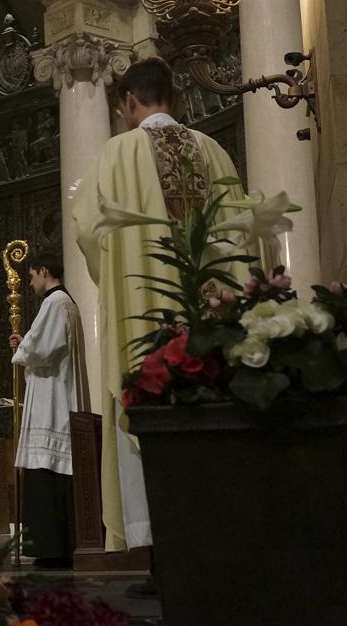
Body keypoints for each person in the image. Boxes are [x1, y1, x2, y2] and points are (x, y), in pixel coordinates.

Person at [72, 57, 244, 595]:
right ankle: (216, 553)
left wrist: (118, 271)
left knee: (146, 426)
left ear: (127, 101)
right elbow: (241, 232)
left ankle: (161, 563)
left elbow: (87, 228)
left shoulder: (116, 153)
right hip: (213, 322)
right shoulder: (213, 151)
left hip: (144, 319)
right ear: (173, 97)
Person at [9, 253, 90, 568]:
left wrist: (22, 349)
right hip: (56, 390)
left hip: (52, 399)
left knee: (47, 468)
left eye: (32, 277)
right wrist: (26, 343)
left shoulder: (54, 302)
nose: (31, 284)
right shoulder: (66, 303)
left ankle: (50, 548)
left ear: (44, 272)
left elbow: (44, 348)